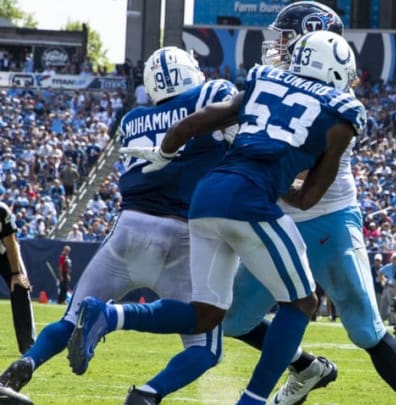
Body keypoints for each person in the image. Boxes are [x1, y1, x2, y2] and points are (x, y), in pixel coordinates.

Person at [70, 31, 366, 405]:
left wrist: (163, 153)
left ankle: (110, 317)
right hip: (250, 202)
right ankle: (254, 400)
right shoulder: (343, 117)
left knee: (207, 314)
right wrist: (275, 181)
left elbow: (186, 127)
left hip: (206, 199)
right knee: (301, 303)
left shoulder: (265, 81)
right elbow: (307, 199)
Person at [0, 46, 236, 405]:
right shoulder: (211, 93)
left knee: (70, 319)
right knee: (205, 346)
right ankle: (147, 394)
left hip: (127, 229)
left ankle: (24, 366)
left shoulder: (132, 119)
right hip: (181, 234)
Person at [224, 4, 396, 404]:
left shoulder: (340, 101)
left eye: (286, 38)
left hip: (328, 222)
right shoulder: (272, 81)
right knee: (232, 319)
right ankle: (305, 367)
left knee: (365, 328)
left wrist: (244, 154)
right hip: (278, 222)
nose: (277, 46)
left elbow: (301, 181)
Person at [0, 202, 35, 354]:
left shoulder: (1, 211)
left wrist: (16, 273)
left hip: (4, 251)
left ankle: (28, 345)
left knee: (20, 286)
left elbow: (10, 241)